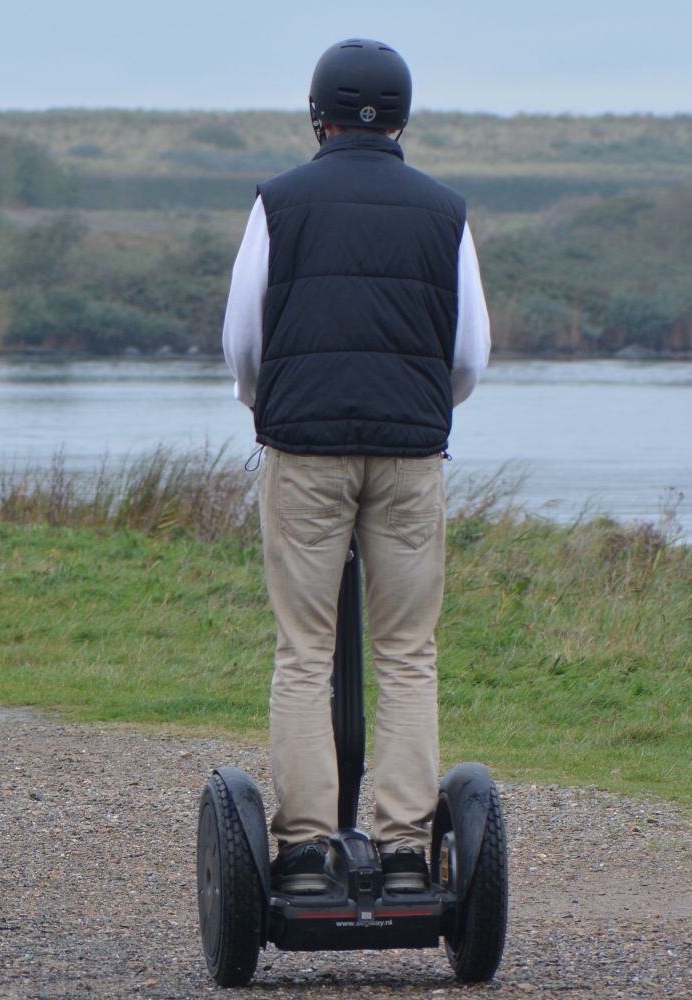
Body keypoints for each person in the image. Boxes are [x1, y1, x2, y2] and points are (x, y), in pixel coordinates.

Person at [222, 37, 490, 895]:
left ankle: (303, 854)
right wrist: (419, 405)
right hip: (411, 452)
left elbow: (242, 342)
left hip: (303, 450)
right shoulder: (445, 210)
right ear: (403, 117)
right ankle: (409, 855)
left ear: (318, 115)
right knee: (408, 651)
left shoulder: (279, 202)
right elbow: (470, 355)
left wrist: (267, 402)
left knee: (305, 649)